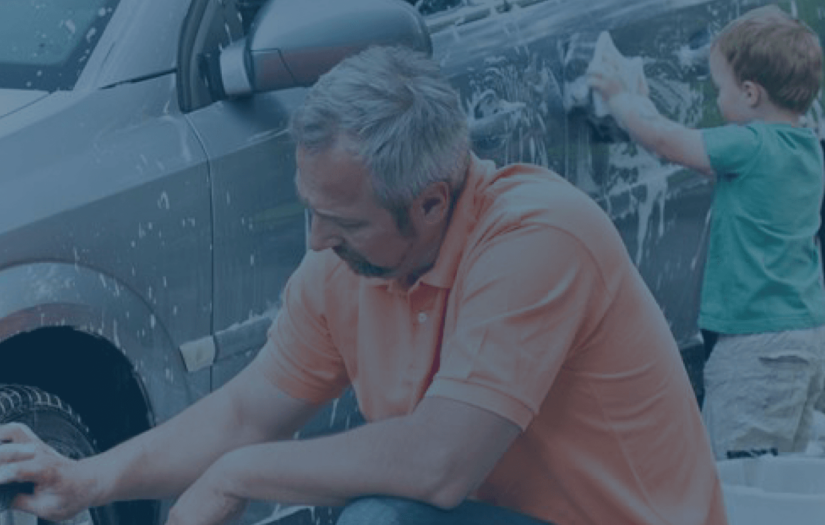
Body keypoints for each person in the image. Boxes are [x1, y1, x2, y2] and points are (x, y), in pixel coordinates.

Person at [0, 45, 726, 525]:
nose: (316, 241)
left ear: (434, 201)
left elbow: (440, 463)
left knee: (380, 518)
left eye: (342, 220)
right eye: (310, 210)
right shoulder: (346, 266)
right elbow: (247, 412)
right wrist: (86, 478)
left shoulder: (539, 237)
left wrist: (237, 474)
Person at [589, 5, 825, 460]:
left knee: (736, 473)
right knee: (784, 469)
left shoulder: (751, 144)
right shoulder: (808, 147)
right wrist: (648, 107)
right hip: (805, 336)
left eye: (721, 89)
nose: (717, 100)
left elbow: (668, 143)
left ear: (751, 93)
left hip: (756, 346)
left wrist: (620, 98)